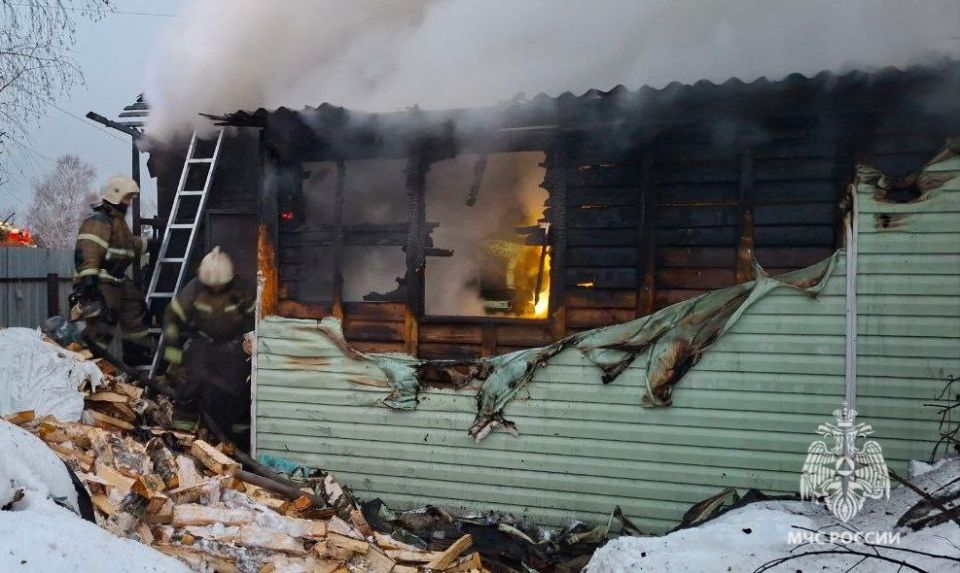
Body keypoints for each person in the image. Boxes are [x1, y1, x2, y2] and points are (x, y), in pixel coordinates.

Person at [163, 247, 255, 445]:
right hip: (202, 343)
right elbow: (172, 320)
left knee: (236, 389)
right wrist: (173, 356)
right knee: (190, 383)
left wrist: (251, 342)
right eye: (211, 286)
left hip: (234, 345)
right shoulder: (194, 290)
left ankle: (238, 439)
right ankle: (181, 435)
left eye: (220, 286)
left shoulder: (242, 290)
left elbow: (255, 318)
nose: (215, 289)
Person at [71, 176, 151, 364]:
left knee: (135, 309)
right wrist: (89, 280)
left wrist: (150, 244)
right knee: (103, 324)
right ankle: (86, 365)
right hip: (102, 280)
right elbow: (88, 248)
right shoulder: (99, 220)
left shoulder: (118, 222)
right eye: (127, 197)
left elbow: (127, 246)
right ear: (116, 195)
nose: (129, 202)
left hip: (118, 279)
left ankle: (136, 356)